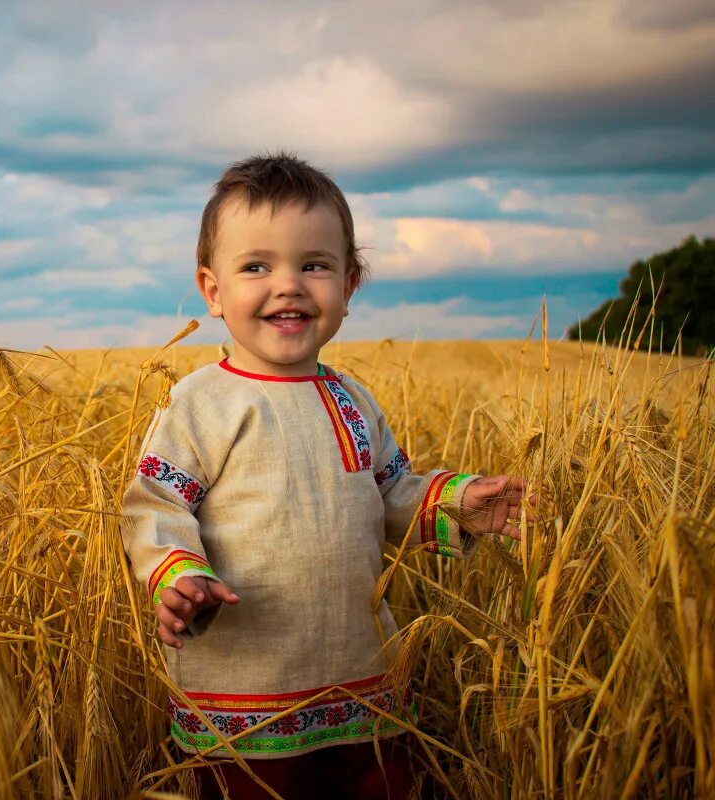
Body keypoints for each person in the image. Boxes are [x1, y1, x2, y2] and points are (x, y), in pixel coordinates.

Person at [120, 153, 532, 799]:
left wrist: (455, 501)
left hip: (362, 679)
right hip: (245, 696)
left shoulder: (354, 399)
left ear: (350, 281)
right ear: (213, 290)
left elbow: (391, 494)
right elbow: (155, 503)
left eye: (313, 264)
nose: (288, 285)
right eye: (257, 266)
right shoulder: (202, 403)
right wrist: (180, 574)